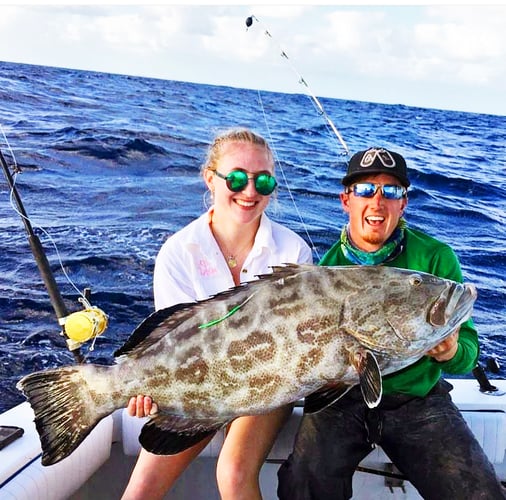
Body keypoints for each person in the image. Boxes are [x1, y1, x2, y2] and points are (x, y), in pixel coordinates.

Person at [277, 147, 506, 500]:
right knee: (303, 485)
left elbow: (468, 351)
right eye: (366, 190)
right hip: (342, 399)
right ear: (346, 200)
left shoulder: (436, 259)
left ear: (404, 204)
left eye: (392, 191)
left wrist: (450, 353)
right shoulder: (326, 269)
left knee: (479, 493)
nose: (378, 202)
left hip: (418, 400)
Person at [121, 127, 313, 500]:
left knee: (234, 472)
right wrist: (147, 387)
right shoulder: (178, 252)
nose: (250, 191)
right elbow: (173, 343)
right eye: (238, 178)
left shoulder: (293, 251)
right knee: (139, 490)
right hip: (198, 389)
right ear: (211, 178)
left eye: (264, 181)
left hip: (266, 387)